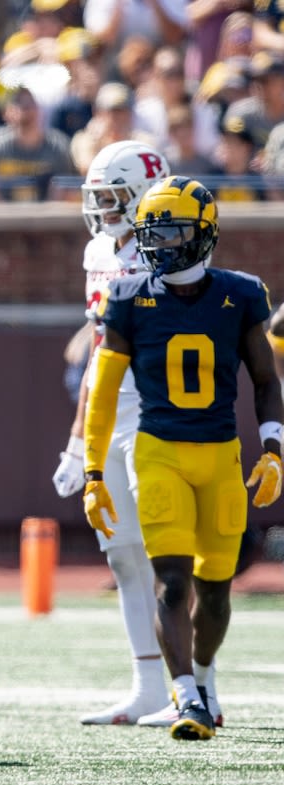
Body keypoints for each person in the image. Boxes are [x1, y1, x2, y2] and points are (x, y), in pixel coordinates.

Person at [81, 175, 283, 741]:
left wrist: (274, 449)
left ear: (202, 235)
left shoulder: (240, 295)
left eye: (170, 233)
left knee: (215, 586)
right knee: (171, 581)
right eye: (152, 233)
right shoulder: (127, 297)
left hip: (221, 455)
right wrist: (95, 471)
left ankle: (202, 679)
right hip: (159, 451)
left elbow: (266, 381)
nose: (158, 245)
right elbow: (102, 394)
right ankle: (187, 698)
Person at [51, 139, 172, 726]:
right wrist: (79, 439)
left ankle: (195, 686)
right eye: (96, 196)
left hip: (159, 413)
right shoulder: (100, 249)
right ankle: (147, 683)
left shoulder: (168, 247)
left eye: (112, 196)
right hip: (109, 412)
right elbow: (99, 348)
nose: (101, 208)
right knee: (124, 554)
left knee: (170, 553)